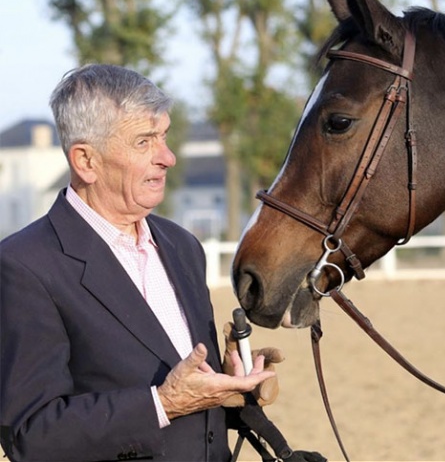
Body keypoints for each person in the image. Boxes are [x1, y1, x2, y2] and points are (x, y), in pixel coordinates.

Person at [0, 64, 326, 462]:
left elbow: (193, 403)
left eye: (164, 136)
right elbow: (32, 436)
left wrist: (228, 385)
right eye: (143, 142)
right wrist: (163, 403)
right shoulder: (23, 267)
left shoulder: (183, 246)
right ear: (86, 161)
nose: (168, 157)